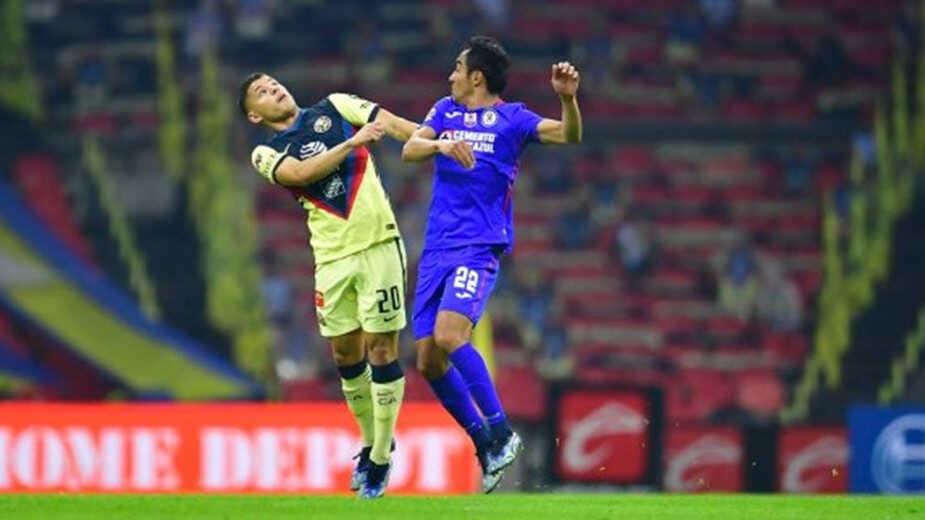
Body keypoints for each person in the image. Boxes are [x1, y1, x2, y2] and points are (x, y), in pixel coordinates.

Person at [401, 35, 582, 492]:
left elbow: (569, 134)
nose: (451, 76)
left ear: (477, 77)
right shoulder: (444, 110)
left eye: (458, 69)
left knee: (449, 335)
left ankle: (501, 432)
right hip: (436, 248)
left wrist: (567, 100)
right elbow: (410, 149)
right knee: (428, 361)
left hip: (478, 246)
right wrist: (440, 146)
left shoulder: (513, 119)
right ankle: (485, 444)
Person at [238, 73, 418, 499]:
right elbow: (302, 172)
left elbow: (392, 123)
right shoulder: (265, 153)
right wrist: (354, 143)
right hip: (331, 258)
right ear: (254, 115)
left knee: (382, 348)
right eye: (262, 92)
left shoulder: (336, 105)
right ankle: (371, 441)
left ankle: (380, 458)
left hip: (378, 245)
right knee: (344, 354)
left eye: (273, 83)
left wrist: (440, 141)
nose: (274, 89)